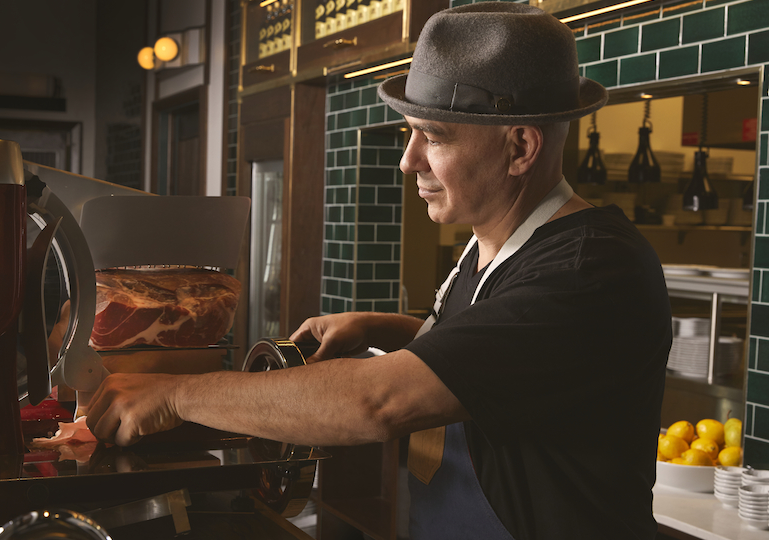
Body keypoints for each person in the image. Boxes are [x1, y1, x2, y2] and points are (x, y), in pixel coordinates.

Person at [86, 3, 672, 539]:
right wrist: (385, 327)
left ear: (520, 148)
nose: (407, 160)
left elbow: (381, 402)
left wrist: (176, 396)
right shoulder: (489, 247)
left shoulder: (589, 269)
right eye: (409, 133)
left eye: (432, 137)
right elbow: (501, 358)